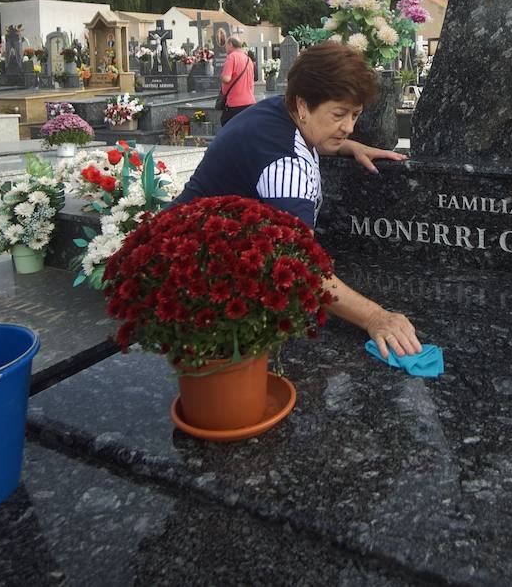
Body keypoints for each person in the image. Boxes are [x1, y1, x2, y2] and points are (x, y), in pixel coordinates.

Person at [170, 41, 421, 359]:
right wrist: (376, 317)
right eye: (339, 114)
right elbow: (299, 265)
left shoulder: (281, 111)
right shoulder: (288, 168)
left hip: (186, 239)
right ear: (303, 105)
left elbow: (306, 135)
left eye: (355, 115)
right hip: (190, 282)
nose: (349, 126)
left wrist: (350, 146)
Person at [218, 37, 256, 126]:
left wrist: (221, 76)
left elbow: (226, 79)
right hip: (250, 102)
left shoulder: (232, 57)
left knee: (228, 129)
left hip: (234, 103)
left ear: (230, 44)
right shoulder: (248, 59)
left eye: (226, 45)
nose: (225, 48)